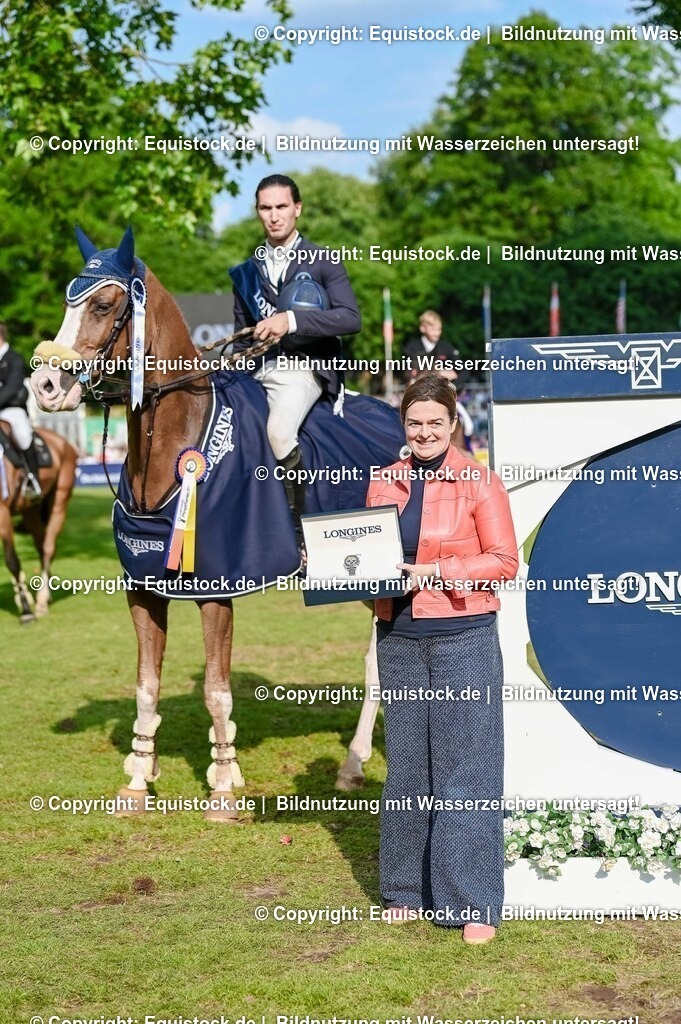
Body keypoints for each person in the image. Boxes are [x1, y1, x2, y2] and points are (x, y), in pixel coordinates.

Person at [366, 374, 518, 944]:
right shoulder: (384, 482)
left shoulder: (480, 481)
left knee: (467, 770)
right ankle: (404, 890)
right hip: (399, 637)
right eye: (414, 423)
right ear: (403, 427)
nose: (425, 432)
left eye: (435, 423)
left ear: (453, 424)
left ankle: (473, 901)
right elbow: (370, 555)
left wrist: (440, 572)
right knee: (407, 767)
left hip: (464, 636)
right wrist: (339, 569)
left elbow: (504, 561)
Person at [229, 174, 361, 542]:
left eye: (281, 207)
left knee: (278, 431)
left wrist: (291, 320)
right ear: (258, 212)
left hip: (302, 370)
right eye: (265, 208)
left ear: (297, 209)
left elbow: (351, 318)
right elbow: (242, 334)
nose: (274, 216)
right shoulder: (245, 273)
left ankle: (300, 537)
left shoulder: (323, 260)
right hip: (258, 370)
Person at [0, 323, 41, 497]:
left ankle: (33, 479)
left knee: (23, 436)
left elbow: (13, 387)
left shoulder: (14, 358)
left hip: (11, 409)